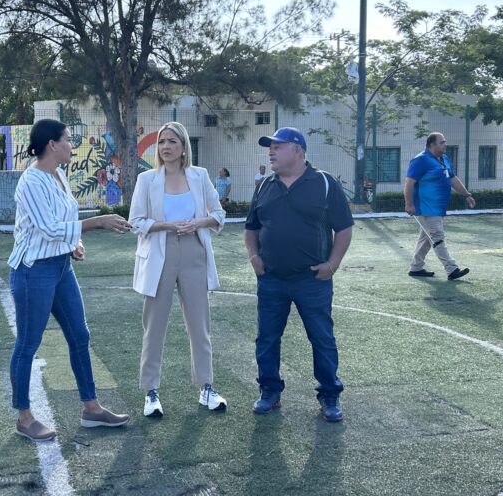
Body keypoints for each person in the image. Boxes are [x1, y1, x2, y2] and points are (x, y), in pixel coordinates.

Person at [8, 119, 132, 441]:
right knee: (28, 344)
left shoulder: (59, 174)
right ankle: (24, 417)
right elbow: (49, 228)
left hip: (61, 268)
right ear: (52, 144)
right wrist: (99, 221)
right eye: (67, 140)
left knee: (80, 335)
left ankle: (91, 408)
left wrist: (75, 243)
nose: (71, 146)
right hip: (33, 270)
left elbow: (62, 221)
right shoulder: (31, 181)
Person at [244, 127, 353, 422]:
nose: (271, 151)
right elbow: (251, 227)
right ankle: (269, 391)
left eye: (278, 146)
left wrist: (332, 264)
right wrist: (254, 257)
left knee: (321, 338)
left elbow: (343, 228)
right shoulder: (265, 185)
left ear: (298, 151)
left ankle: (329, 395)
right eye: (270, 147)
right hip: (272, 279)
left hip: (312, 281)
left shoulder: (325, 183)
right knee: (267, 338)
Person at [129, 122, 227, 418]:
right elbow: (137, 221)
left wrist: (198, 222)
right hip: (160, 252)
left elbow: (218, 215)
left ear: (184, 147)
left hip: (194, 252)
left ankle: (206, 387)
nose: (166, 147)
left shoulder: (200, 177)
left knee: (200, 325)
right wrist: (167, 226)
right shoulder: (147, 179)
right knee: (154, 325)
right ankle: (150, 392)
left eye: (172, 141)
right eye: (161, 142)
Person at [404, 132, 475, 280]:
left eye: (444, 142)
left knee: (426, 238)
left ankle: (416, 268)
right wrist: (409, 204)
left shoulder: (444, 159)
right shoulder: (421, 160)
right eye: (442, 142)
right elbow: (409, 183)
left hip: (437, 208)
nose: (445, 144)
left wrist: (467, 195)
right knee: (437, 236)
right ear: (432, 144)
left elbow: (453, 179)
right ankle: (452, 269)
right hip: (425, 208)